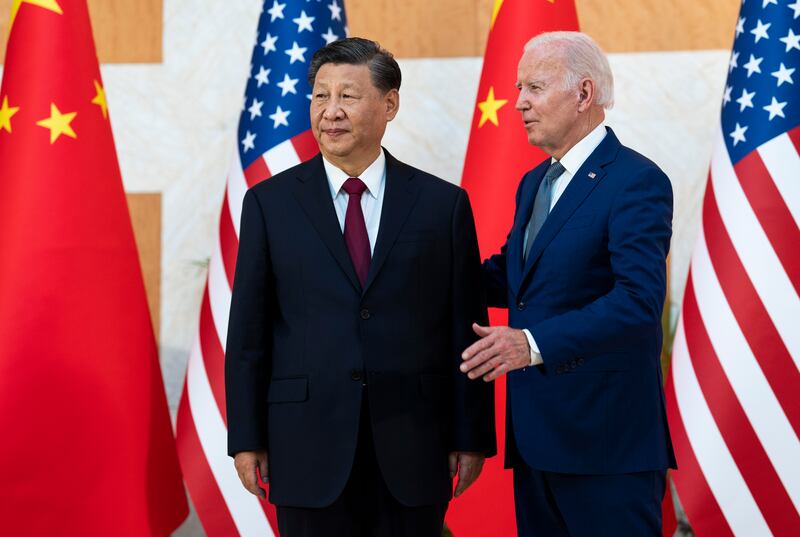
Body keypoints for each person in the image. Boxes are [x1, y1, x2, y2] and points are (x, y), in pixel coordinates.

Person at [225, 37, 495, 537]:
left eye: (348, 96)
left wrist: (471, 435)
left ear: (389, 103)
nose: (331, 112)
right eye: (320, 96)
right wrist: (246, 438)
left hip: (414, 445)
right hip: (305, 445)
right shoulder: (269, 204)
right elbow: (248, 334)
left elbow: (465, 326)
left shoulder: (442, 205)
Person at [460, 31, 676, 536]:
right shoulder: (535, 182)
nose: (518, 104)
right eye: (518, 89)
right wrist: (416, 267)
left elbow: (638, 302)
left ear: (583, 94)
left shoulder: (636, 181)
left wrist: (531, 343)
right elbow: (515, 280)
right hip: (537, 440)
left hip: (607, 446)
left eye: (533, 88)